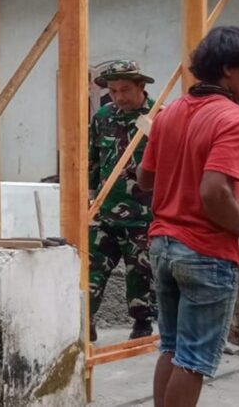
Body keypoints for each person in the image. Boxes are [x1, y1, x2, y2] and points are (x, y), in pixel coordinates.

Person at [138, 26, 239, 407]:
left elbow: (144, 178)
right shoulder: (236, 120)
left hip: (164, 245)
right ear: (228, 69)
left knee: (172, 348)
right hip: (204, 251)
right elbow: (214, 193)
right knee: (194, 360)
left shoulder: (169, 114)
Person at [88, 60, 157, 341]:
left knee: (139, 273)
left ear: (141, 86)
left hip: (144, 214)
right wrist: (89, 200)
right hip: (105, 212)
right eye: (113, 91)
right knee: (90, 269)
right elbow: (92, 162)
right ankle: (85, 322)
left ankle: (142, 327)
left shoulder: (160, 116)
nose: (119, 97)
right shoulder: (103, 116)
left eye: (125, 89)